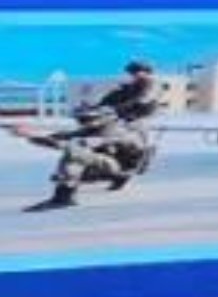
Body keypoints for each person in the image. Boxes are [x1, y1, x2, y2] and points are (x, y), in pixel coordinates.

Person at [25, 61, 166, 213]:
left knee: (78, 151)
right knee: (88, 144)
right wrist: (33, 136)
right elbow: (72, 134)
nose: (135, 75)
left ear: (146, 71)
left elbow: (142, 100)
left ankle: (65, 196)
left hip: (127, 130)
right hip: (118, 129)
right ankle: (117, 176)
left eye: (138, 72)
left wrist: (114, 109)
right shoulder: (125, 91)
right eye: (132, 73)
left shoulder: (150, 85)